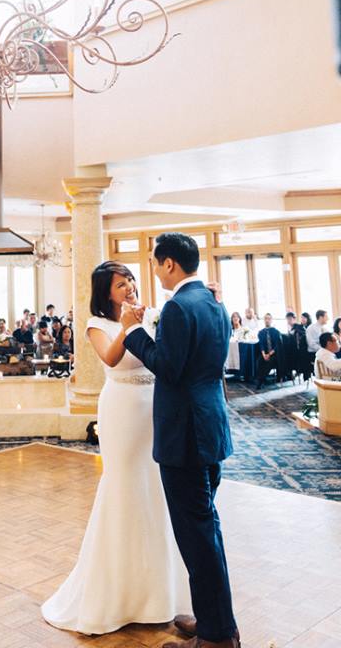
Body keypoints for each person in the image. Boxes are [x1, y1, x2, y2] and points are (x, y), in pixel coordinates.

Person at [41, 260, 190, 635]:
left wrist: (143, 322)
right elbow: (110, 358)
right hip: (122, 409)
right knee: (125, 488)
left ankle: (157, 594)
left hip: (154, 407)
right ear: (105, 292)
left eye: (131, 280)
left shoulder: (152, 314)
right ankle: (116, 594)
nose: (129, 287)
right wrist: (128, 327)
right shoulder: (97, 324)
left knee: (156, 489)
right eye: (121, 284)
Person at [124, 232, 239, 648]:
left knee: (196, 534)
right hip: (211, 427)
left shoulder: (177, 307)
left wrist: (135, 331)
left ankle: (216, 636)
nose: (155, 272)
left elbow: (166, 368)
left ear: (169, 264)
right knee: (207, 528)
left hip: (184, 435)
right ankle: (217, 621)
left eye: (156, 264)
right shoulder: (214, 302)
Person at [255, 313, 283, 389]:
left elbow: (277, 345)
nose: (267, 320)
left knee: (270, 361)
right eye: (266, 319)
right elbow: (261, 344)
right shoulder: (261, 332)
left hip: (275, 354)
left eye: (269, 319)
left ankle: (260, 381)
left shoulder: (276, 332)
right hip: (265, 353)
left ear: (271, 320)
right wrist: (264, 354)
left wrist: (269, 354)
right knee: (259, 361)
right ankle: (260, 379)